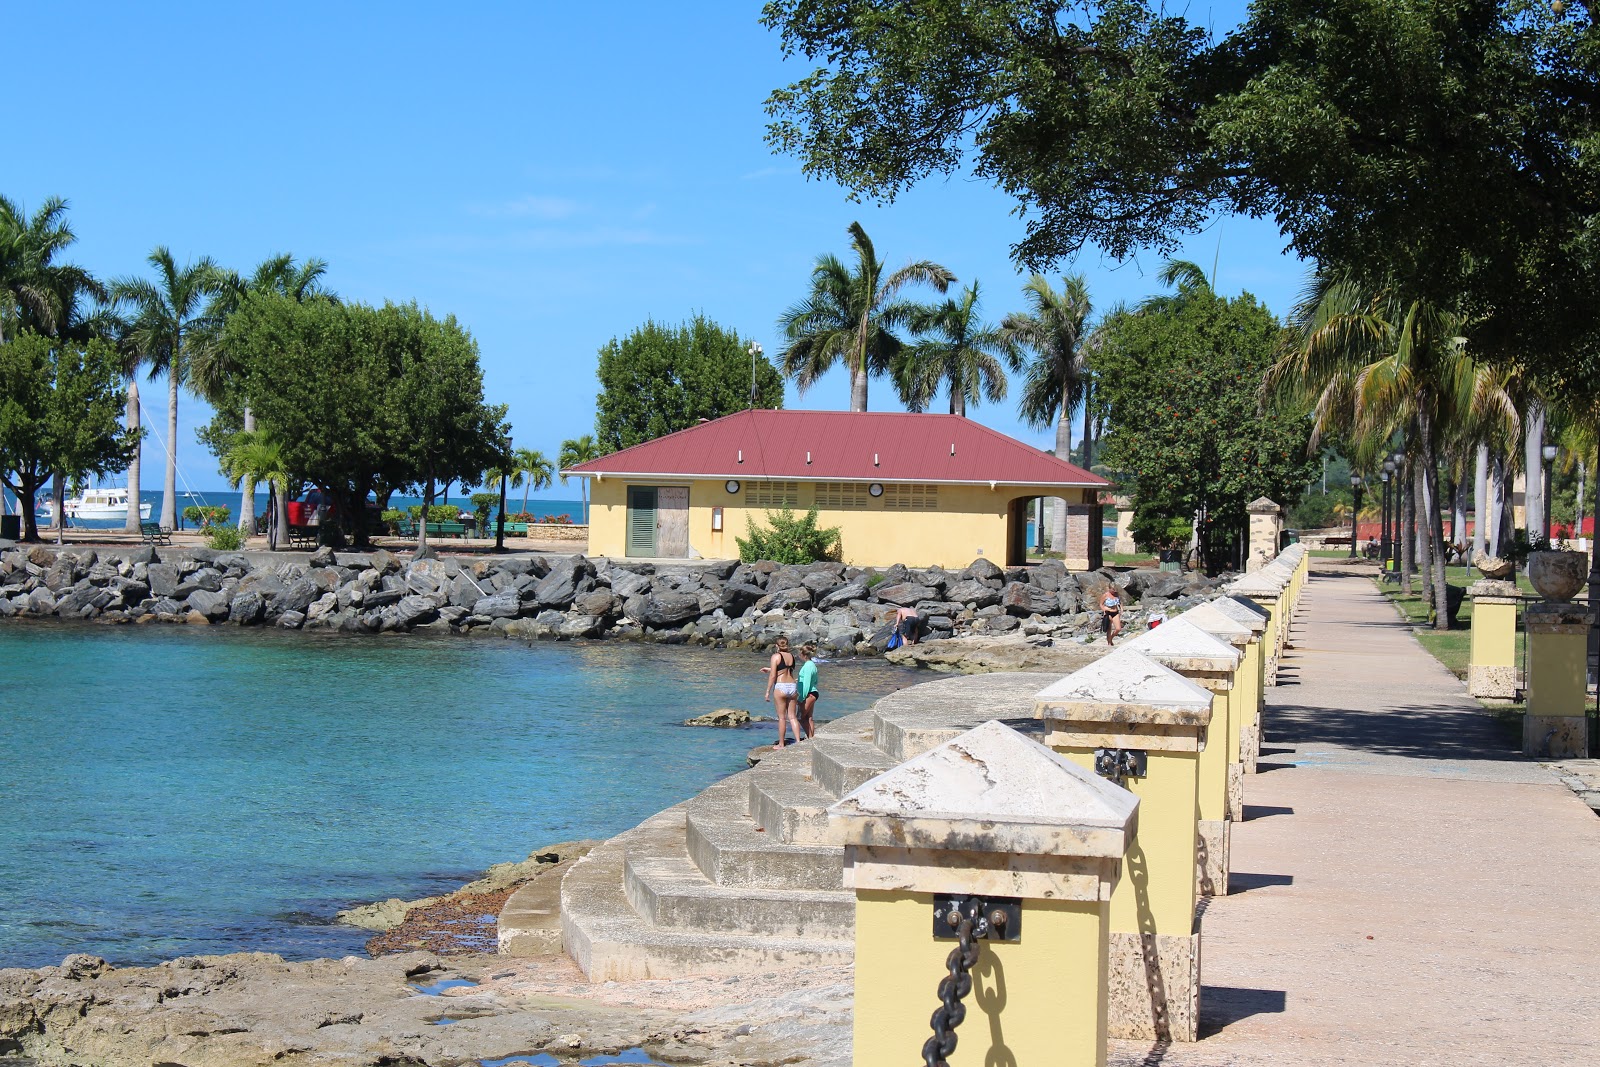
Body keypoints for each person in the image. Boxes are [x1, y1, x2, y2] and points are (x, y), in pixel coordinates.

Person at [763, 635, 801, 750]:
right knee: (793, 717)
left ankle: (781, 744)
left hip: (781, 687)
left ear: (776, 645)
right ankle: (799, 741)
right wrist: (769, 669)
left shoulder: (776, 656)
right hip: (792, 686)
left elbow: (773, 675)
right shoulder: (791, 656)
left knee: (782, 718)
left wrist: (767, 691)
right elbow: (786, 669)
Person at [795, 643, 821, 740]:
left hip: (808, 694)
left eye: (799, 653)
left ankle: (810, 738)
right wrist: (798, 679)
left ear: (803, 655)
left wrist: (801, 698)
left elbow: (806, 684)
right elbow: (815, 680)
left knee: (800, 717)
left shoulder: (807, 666)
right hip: (813, 692)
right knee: (809, 717)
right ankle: (811, 737)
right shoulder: (812, 665)